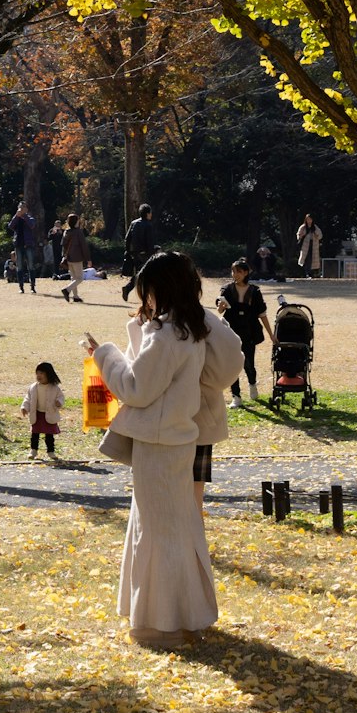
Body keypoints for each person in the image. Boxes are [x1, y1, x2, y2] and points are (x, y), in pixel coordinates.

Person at [83, 251, 217, 649]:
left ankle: (163, 623)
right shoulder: (190, 331)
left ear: (161, 290)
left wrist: (102, 354)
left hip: (159, 446)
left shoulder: (167, 336)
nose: (147, 302)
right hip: (177, 440)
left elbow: (136, 389)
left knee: (158, 533)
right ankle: (180, 616)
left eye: (149, 293)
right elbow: (150, 378)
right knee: (173, 527)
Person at [192, 288, 244, 512]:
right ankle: (195, 544)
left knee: (189, 497)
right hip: (203, 415)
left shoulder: (196, 320)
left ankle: (193, 545)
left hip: (193, 417)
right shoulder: (206, 319)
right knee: (193, 496)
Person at [217, 259, 273, 403]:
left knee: (249, 362)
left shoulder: (255, 291)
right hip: (231, 331)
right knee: (231, 364)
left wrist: (271, 335)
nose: (235, 274)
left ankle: (252, 385)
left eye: (238, 271)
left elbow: (262, 315)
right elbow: (219, 310)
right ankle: (236, 396)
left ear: (246, 272)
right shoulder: (227, 289)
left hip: (249, 330)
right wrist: (221, 305)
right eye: (233, 271)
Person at [22, 361, 65, 456]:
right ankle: (33, 450)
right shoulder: (33, 387)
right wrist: (24, 407)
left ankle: (51, 451)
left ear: (48, 374)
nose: (38, 376)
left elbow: (61, 397)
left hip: (49, 413)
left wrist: (59, 402)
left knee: (49, 435)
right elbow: (28, 398)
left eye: (41, 373)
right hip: (37, 414)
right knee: (35, 433)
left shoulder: (55, 388)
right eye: (37, 373)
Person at [121, 204, 157, 300]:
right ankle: (146, 295)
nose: (151, 215)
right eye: (150, 213)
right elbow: (149, 241)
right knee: (145, 275)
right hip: (145, 254)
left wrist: (128, 251)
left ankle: (129, 289)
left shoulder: (134, 223)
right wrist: (152, 252)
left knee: (140, 274)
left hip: (134, 253)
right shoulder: (148, 225)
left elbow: (127, 238)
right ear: (147, 213)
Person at [60, 213, 90, 301]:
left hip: (68, 258)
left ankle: (75, 296)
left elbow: (63, 245)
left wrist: (64, 256)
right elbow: (83, 246)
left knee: (73, 278)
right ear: (76, 221)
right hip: (77, 257)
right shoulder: (78, 232)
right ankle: (67, 290)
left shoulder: (66, 231)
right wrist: (88, 259)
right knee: (79, 278)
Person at [9, 203, 38, 294]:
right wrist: (16, 216)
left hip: (28, 245)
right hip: (18, 245)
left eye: (23, 208)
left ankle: (32, 286)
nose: (21, 209)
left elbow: (32, 225)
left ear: (26, 209)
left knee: (31, 266)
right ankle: (21, 287)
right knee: (20, 266)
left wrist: (24, 215)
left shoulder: (30, 218)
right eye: (20, 208)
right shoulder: (16, 219)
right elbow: (10, 226)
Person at [295, 213, 322, 278]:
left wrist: (316, 234)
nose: (309, 221)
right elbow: (298, 235)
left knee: (312, 259)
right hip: (305, 245)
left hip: (313, 245)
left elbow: (320, 236)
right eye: (307, 219)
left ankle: (310, 273)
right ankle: (307, 273)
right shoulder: (303, 227)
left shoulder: (315, 227)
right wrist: (302, 235)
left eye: (310, 219)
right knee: (306, 259)